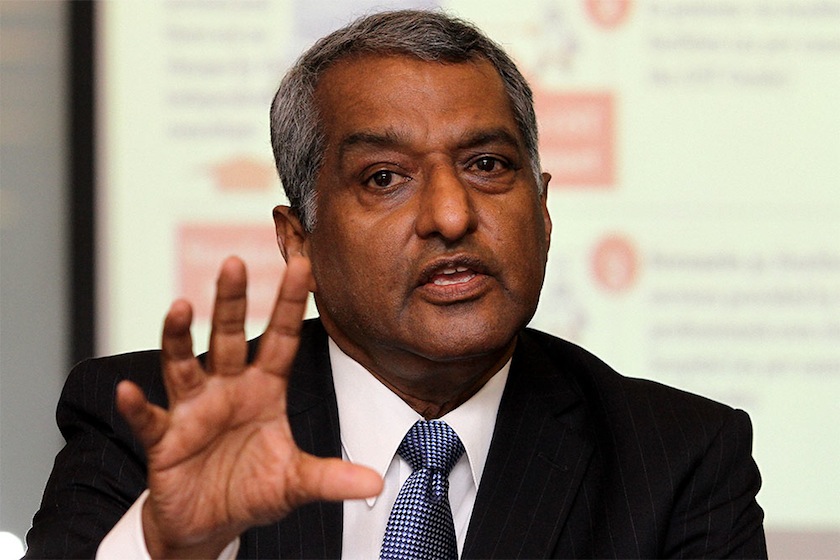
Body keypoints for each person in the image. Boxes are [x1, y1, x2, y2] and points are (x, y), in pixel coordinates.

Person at [25, 9, 766, 559]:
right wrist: (166, 546)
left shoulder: (675, 458)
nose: (451, 215)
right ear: (298, 240)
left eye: (487, 165)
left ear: (542, 210)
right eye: (384, 178)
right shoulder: (152, 429)